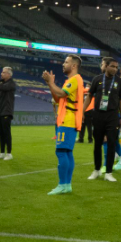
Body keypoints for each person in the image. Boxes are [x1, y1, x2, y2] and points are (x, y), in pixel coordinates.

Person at [43, 55, 85, 195]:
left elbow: (60, 93)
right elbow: (57, 97)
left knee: (61, 152)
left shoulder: (74, 79)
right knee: (67, 152)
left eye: (66, 62)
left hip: (67, 120)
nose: (63, 64)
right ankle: (67, 185)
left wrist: (51, 82)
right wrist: (50, 83)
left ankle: (62, 184)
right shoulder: (72, 80)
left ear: (73, 66)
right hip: (68, 120)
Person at [84, 57, 121, 182]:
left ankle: (108, 172)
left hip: (113, 116)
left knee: (112, 143)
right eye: (112, 66)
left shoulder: (119, 81)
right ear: (106, 66)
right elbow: (90, 95)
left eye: (116, 67)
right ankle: (96, 170)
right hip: (98, 115)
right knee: (97, 144)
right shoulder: (97, 79)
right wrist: (82, 110)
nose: (115, 69)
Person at [0, 67, 17, 160]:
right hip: (0, 111)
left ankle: (9, 153)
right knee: (1, 133)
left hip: (7, 111)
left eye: (3, 72)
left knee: (6, 132)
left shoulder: (11, 84)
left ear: (9, 74)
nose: (1, 74)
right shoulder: (2, 83)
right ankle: (2, 152)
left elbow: (0, 87)